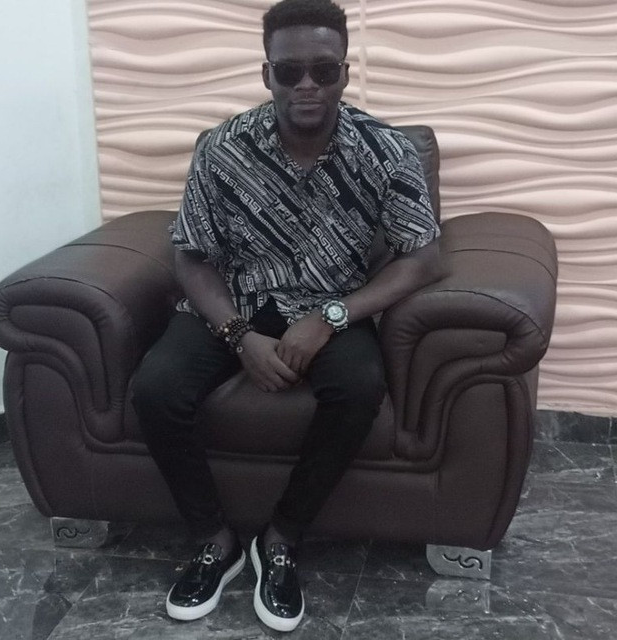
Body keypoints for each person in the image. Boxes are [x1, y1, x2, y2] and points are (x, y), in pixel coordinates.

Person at [132, 0, 442, 632]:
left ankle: (280, 539)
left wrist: (331, 316)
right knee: (156, 388)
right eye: (289, 70)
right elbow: (190, 255)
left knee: (359, 387)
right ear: (266, 73)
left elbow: (423, 257)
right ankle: (214, 541)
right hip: (234, 299)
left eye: (323, 70)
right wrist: (238, 335)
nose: (307, 85)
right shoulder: (224, 148)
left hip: (332, 302)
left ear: (345, 73)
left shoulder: (385, 150)